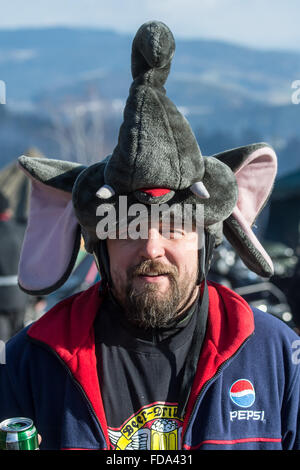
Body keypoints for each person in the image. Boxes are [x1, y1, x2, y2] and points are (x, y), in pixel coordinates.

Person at [0, 21, 299, 451]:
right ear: (100, 246)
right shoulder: (32, 361)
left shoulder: (276, 357)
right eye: (127, 228)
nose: (151, 248)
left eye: (175, 228)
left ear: (205, 240)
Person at [0, 191, 28, 341]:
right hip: (20, 295)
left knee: (1, 343)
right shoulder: (21, 229)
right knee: (17, 340)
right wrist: (40, 296)